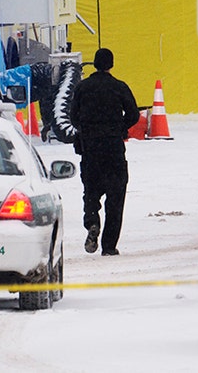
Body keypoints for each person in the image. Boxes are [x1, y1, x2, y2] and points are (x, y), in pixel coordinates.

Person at [69, 48, 139, 256]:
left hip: (90, 150)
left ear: (95, 64)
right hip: (113, 150)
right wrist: (118, 128)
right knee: (115, 197)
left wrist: (88, 130)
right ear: (111, 64)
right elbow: (134, 114)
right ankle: (109, 245)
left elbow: (73, 117)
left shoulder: (82, 88)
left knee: (91, 192)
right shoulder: (119, 87)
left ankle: (92, 222)